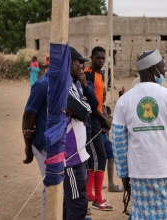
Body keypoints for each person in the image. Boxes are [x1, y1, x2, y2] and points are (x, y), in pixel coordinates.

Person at [112, 49, 167, 219]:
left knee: (142, 215)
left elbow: (119, 142)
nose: (164, 71)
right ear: (152, 69)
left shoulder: (124, 101)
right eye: (162, 67)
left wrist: (124, 174)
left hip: (139, 174)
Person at [62, 47, 92, 220]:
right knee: (77, 202)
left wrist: (80, 108)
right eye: (79, 63)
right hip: (71, 156)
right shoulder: (65, 84)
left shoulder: (73, 84)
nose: (81, 66)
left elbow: (85, 108)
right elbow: (84, 112)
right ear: (71, 63)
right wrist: (79, 109)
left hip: (78, 153)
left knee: (76, 199)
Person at [84, 46, 113, 211]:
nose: (101, 61)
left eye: (103, 58)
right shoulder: (88, 74)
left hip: (99, 120)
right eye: (98, 58)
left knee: (93, 157)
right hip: (91, 121)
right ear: (91, 57)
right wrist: (104, 119)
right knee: (99, 157)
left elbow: (100, 101)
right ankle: (98, 199)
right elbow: (90, 102)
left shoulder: (100, 74)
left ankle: (90, 194)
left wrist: (105, 116)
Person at [22, 72, 48, 220]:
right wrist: (28, 148)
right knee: (52, 187)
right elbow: (28, 116)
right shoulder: (42, 85)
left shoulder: (67, 83)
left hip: (60, 145)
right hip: (43, 145)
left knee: (59, 188)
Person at [102, 89, 124, 192]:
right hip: (97, 136)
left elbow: (110, 121)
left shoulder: (103, 107)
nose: (104, 97)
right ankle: (94, 184)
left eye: (105, 94)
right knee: (96, 160)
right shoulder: (95, 105)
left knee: (110, 156)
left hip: (103, 137)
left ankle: (110, 184)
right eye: (103, 94)